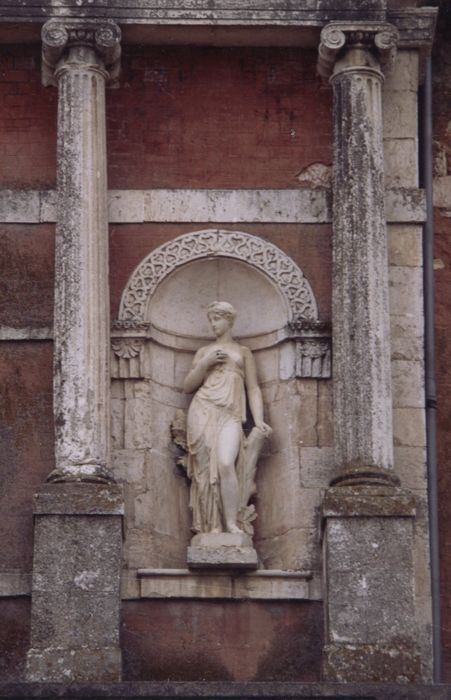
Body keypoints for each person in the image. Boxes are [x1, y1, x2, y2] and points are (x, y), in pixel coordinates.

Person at [183, 301, 271, 535]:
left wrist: (259, 419)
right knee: (203, 471)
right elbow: (188, 386)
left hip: (231, 415)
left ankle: (231, 523)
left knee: (224, 462)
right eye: (211, 319)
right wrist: (205, 364)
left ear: (229, 321)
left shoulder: (243, 352)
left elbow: (253, 388)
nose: (213, 324)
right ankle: (211, 526)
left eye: (217, 319)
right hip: (203, 410)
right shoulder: (203, 352)